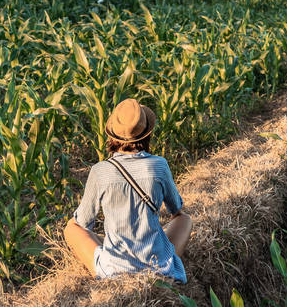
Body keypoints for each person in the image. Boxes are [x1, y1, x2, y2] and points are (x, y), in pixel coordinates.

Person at [64, 97, 192, 281]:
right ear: (146, 134)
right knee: (185, 220)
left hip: (114, 270)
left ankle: (113, 261)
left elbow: (83, 222)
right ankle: (163, 265)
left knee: (71, 228)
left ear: (112, 135)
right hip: (157, 267)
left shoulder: (100, 171)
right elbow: (176, 210)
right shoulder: (159, 166)